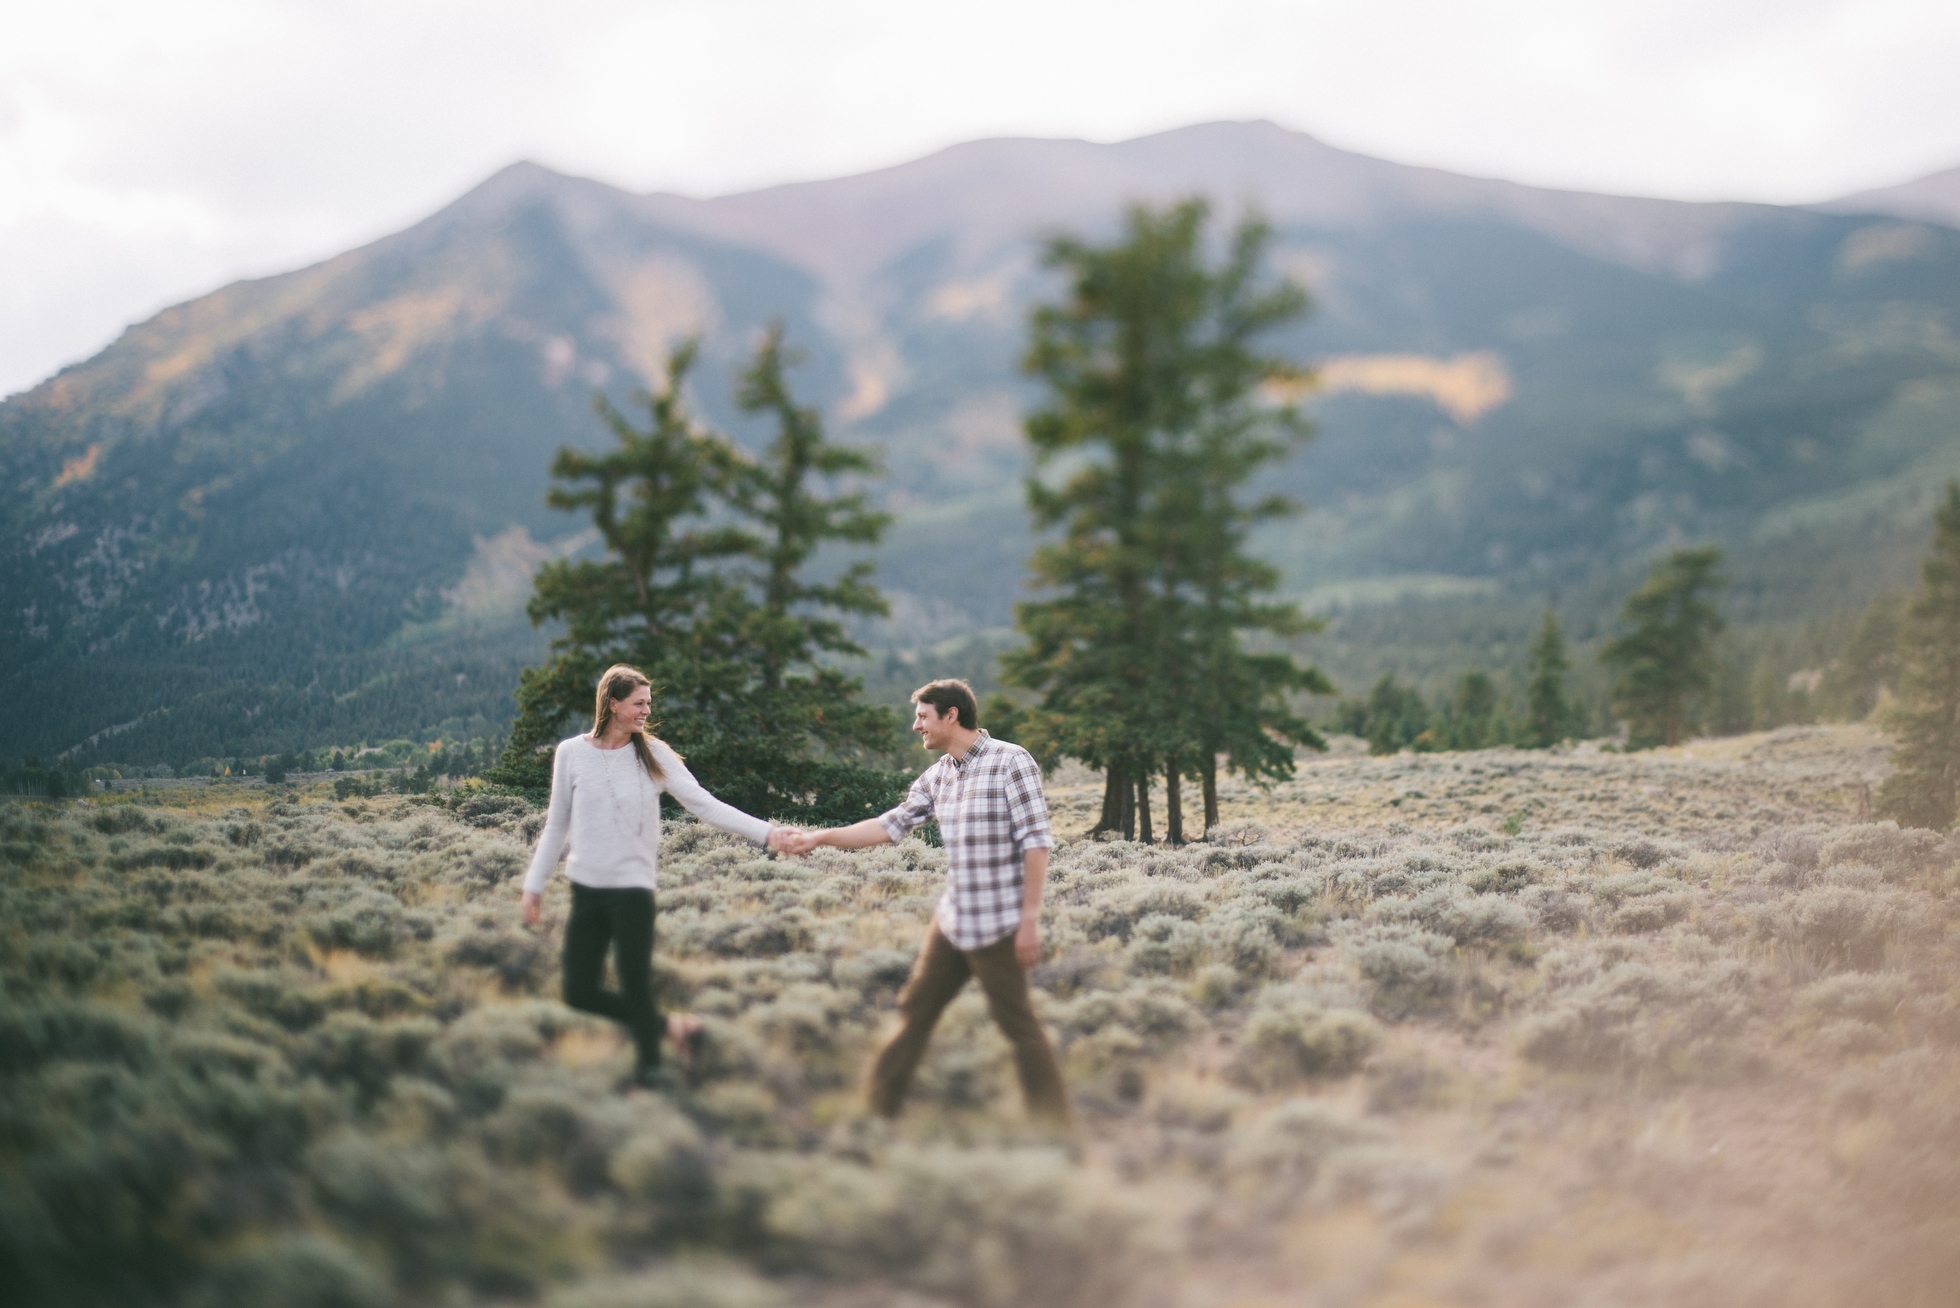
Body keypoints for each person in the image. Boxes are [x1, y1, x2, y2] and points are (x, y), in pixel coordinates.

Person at [782, 678, 1069, 1127]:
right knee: (914, 1012)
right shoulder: (937, 776)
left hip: (999, 923)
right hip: (953, 920)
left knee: (1018, 1026)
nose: (916, 725)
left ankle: (1055, 1127)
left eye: (922, 716)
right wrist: (819, 837)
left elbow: (1037, 843)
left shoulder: (1011, 762)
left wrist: (1029, 919)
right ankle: (875, 1114)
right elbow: (888, 826)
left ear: (950, 714)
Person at [521, 663, 800, 1090]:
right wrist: (534, 885)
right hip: (586, 890)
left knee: (635, 985)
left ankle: (650, 1071)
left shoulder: (654, 755)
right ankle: (672, 1028)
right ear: (612, 704)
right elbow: (557, 823)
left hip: (632, 890)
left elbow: (705, 804)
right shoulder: (571, 753)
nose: (647, 711)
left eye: (649, 703)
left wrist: (768, 833)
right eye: (639, 703)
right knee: (578, 991)